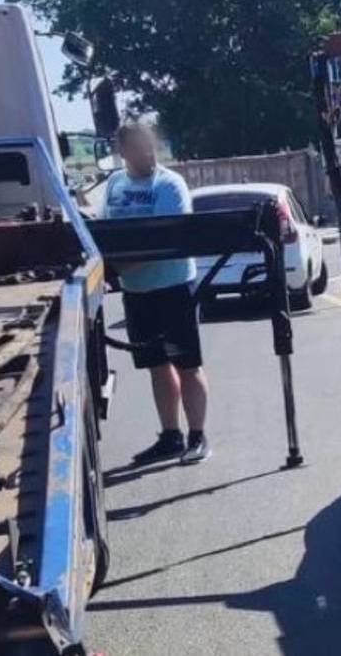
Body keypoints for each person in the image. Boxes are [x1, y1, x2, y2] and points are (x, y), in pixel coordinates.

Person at [103, 123, 212, 465]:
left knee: (187, 364)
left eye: (149, 146)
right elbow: (108, 229)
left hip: (172, 287)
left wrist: (117, 269)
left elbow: (166, 240)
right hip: (137, 292)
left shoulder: (169, 184)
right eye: (138, 148)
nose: (146, 153)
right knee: (156, 365)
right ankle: (170, 436)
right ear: (123, 151)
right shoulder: (115, 183)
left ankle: (198, 436)